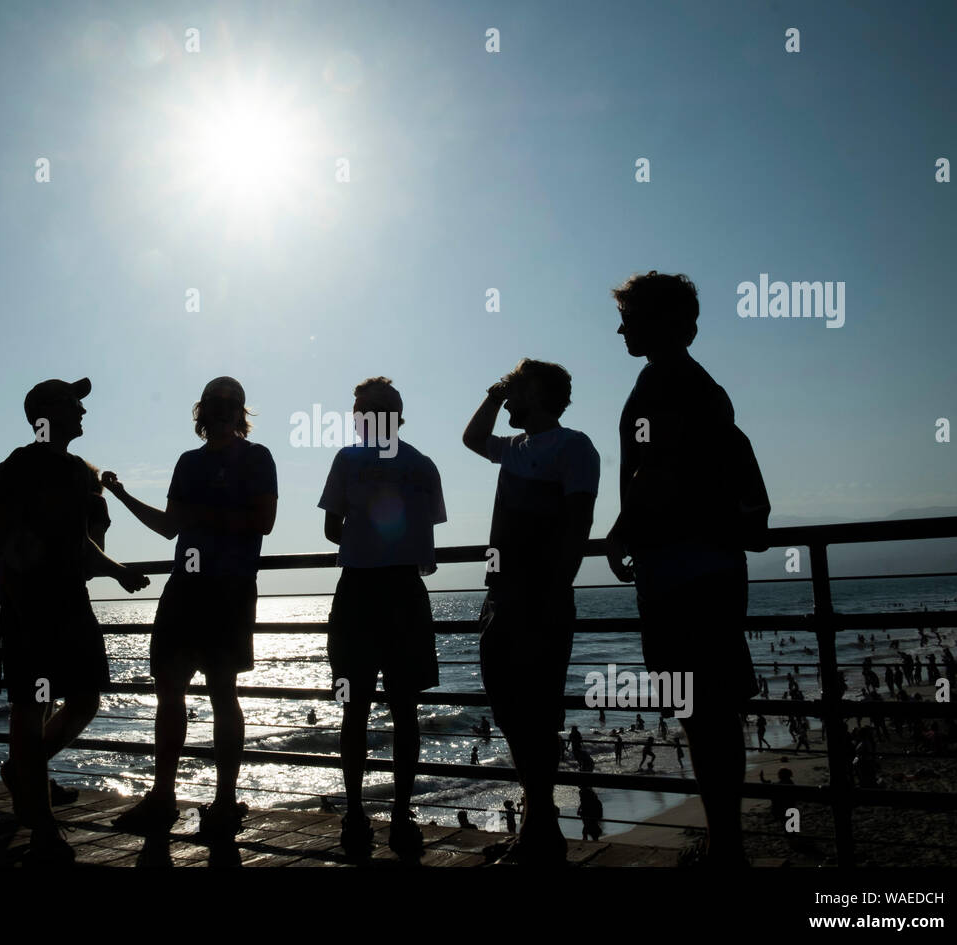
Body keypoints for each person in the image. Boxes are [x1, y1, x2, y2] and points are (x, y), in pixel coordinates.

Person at [605, 272, 759, 868]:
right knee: (710, 709)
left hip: (682, 569)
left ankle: (726, 848)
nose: (621, 329)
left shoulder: (663, 382)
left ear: (660, 323)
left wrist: (623, 529)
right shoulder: (699, 384)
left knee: (705, 711)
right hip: (708, 565)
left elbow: (657, 469)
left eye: (631, 318)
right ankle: (727, 844)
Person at [0, 377, 149, 863]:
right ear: (48, 413)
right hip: (31, 608)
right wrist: (8, 605)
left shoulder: (73, 473)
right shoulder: (13, 471)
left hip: (69, 604)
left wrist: (115, 571)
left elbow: (80, 544)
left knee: (85, 700)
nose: (82, 412)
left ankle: (23, 774)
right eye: (75, 405)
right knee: (32, 711)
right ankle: (41, 823)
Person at [103, 376, 277, 839]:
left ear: (240, 412)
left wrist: (201, 516)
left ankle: (222, 802)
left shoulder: (258, 457)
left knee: (223, 692)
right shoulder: (187, 462)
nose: (220, 410)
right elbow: (167, 528)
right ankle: (163, 796)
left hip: (229, 589)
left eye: (229, 403)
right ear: (202, 410)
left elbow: (265, 521)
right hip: (186, 586)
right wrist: (121, 496)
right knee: (169, 690)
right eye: (214, 403)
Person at [463, 358, 598, 865]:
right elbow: (473, 439)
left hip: (539, 595)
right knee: (511, 710)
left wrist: (553, 589)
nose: (509, 397)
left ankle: (542, 830)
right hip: (503, 593)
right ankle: (539, 826)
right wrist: (497, 393)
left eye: (517, 388)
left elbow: (578, 523)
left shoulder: (574, 446)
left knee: (536, 712)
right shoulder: (515, 448)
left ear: (537, 392)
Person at [318, 376, 446, 858]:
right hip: (404, 592)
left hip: (358, 591)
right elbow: (425, 534)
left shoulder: (347, 460)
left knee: (354, 708)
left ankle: (355, 814)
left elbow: (332, 528)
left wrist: (360, 531)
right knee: (405, 710)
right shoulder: (422, 464)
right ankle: (400, 815)